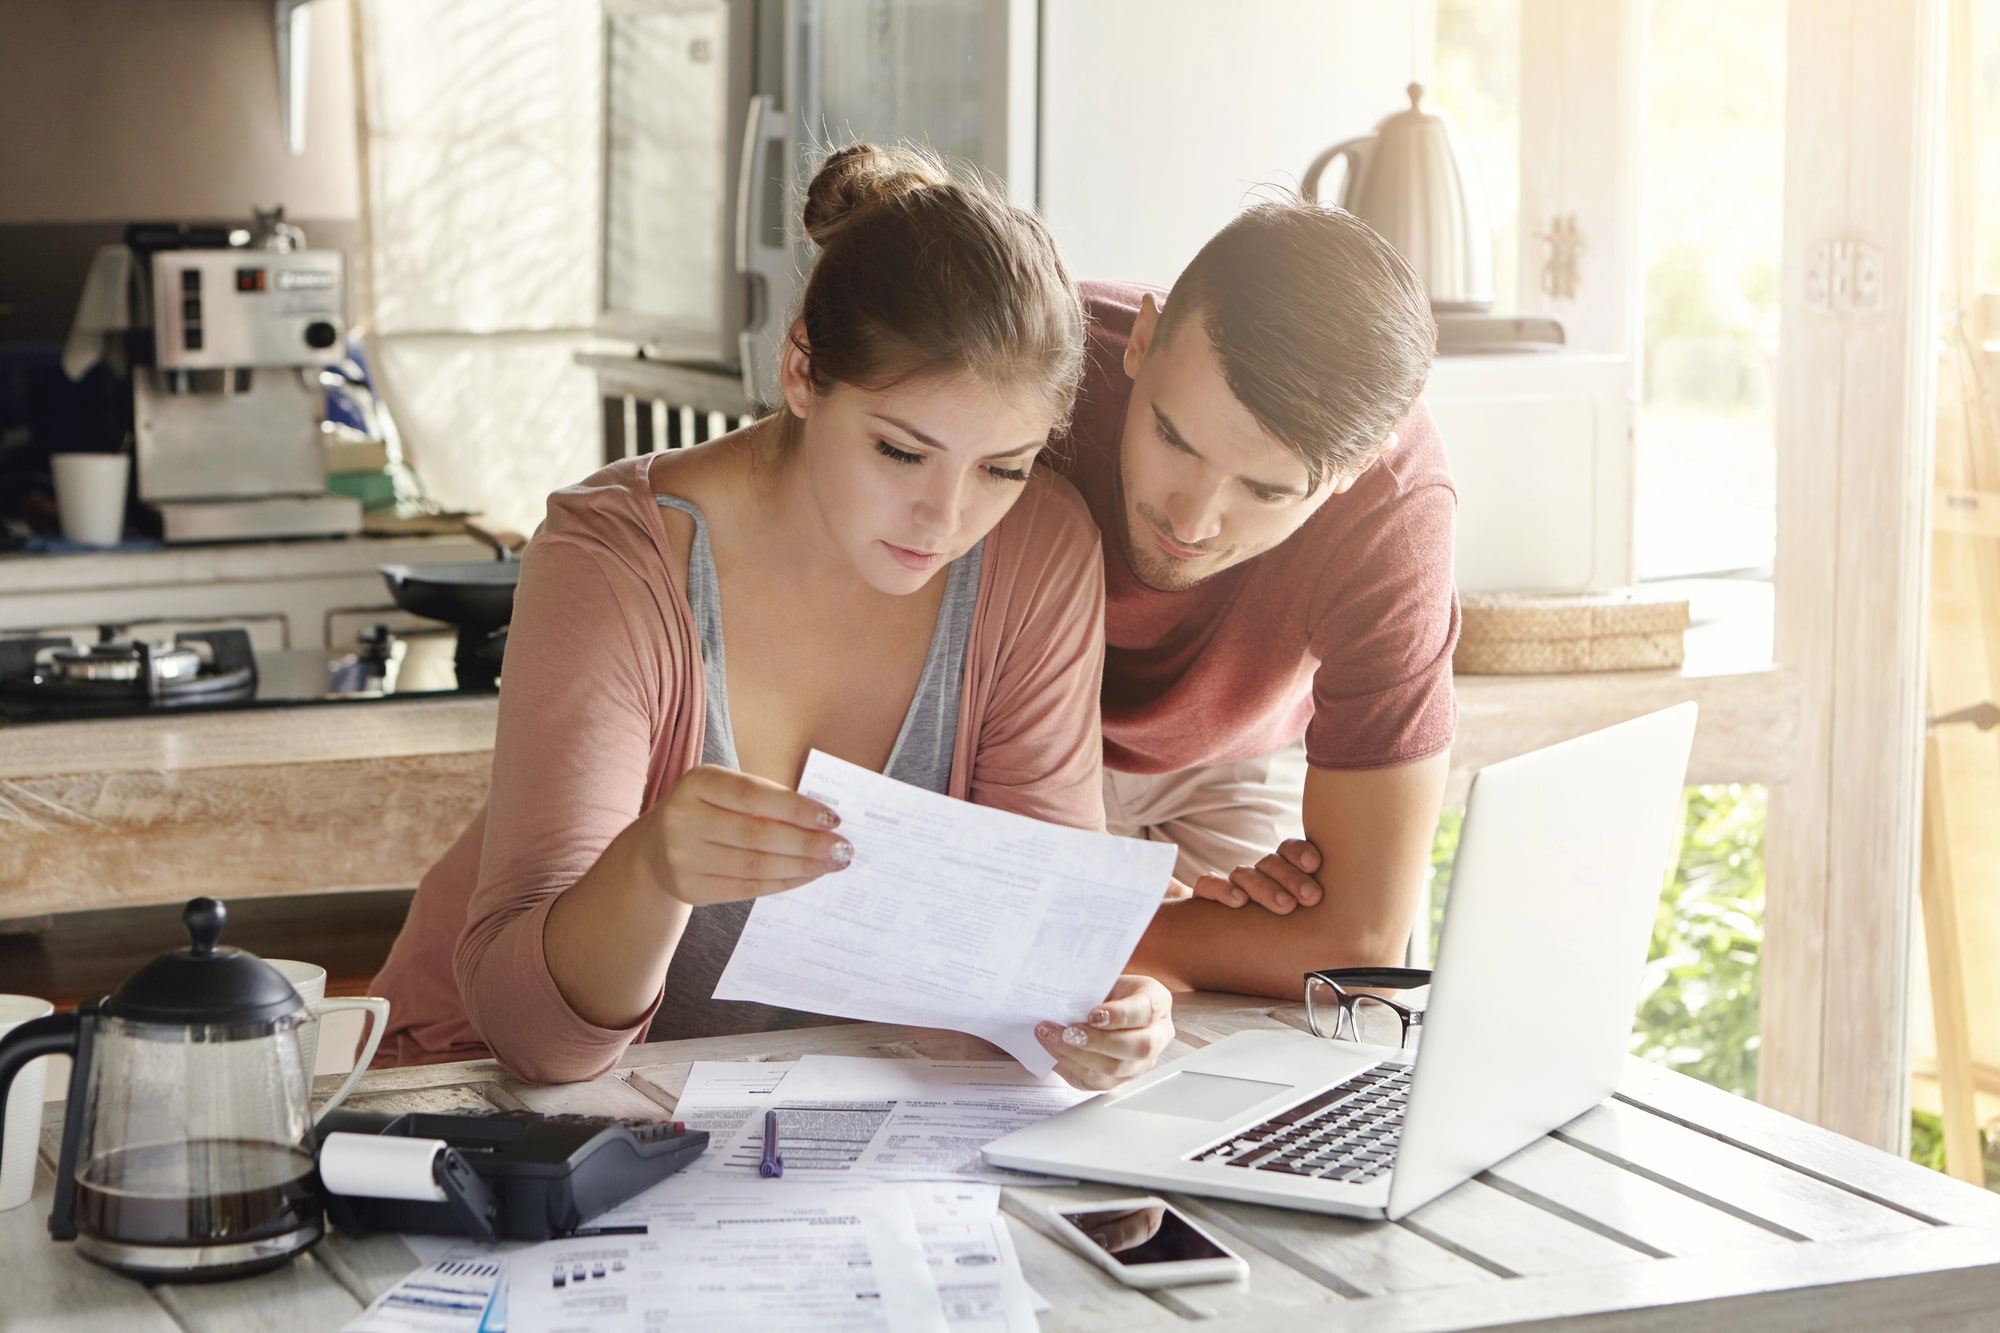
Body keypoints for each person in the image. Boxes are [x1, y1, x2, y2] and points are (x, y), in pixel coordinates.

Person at [370, 144, 1174, 1091]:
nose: (946, 518)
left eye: (1001, 466)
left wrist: (1096, 1015)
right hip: (483, 1102)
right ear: (801, 371)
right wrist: (650, 872)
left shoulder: (1039, 552)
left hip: (790, 1129)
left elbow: (1017, 972)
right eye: (901, 451)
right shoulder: (614, 560)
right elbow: (535, 1045)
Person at [1048, 200, 1458, 1001]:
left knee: (1270, 1042)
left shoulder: (1396, 507)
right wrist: (1159, 932)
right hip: (1013, 742)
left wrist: (1093, 926)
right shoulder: (1036, 357)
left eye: (1265, 489)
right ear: (1140, 338)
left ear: (1354, 471)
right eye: (1173, 437)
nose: (1190, 519)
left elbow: (1359, 944)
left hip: (1231, 762)